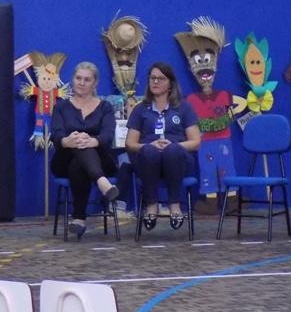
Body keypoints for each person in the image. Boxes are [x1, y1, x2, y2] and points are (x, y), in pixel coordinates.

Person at [125, 61, 201, 230]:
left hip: (177, 160)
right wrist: (149, 145)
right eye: (152, 78)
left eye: (161, 78)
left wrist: (174, 145)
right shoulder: (140, 109)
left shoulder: (183, 108)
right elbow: (130, 143)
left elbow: (195, 142)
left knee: (172, 150)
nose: (155, 82)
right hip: (148, 161)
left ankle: (174, 204)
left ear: (170, 83)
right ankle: (152, 205)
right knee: (149, 151)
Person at [50, 62, 120, 240]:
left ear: (95, 83)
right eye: (78, 78)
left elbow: (108, 134)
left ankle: (79, 219)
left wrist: (92, 141)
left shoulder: (105, 107)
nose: (81, 83)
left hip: (101, 160)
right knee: (78, 150)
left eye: (87, 79)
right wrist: (68, 141)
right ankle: (102, 183)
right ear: (73, 79)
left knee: (80, 158)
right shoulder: (61, 106)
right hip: (64, 160)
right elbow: (56, 134)